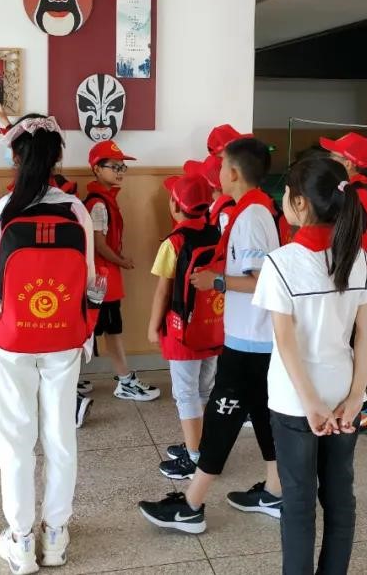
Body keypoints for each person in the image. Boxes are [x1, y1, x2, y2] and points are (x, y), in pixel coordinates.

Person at [139, 137, 282, 534]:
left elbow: (262, 281)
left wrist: (216, 281)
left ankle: (190, 506)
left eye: (220, 166)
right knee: (262, 416)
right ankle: (275, 492)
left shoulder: (251, 217)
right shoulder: (252, 209)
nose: (217, 172)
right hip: (251, 337)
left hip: (250, 341)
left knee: (220, 420)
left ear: (233, 172)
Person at [0, 114, 96, 574]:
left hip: (11, 341)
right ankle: (56, 535)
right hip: (64, 338)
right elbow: (88, 279)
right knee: (61, 436)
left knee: (15, 439)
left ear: (14, 156)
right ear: (58, 156)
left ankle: (21, 540)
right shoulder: (76, 211)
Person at [255, 154, 367, 574]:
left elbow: (285, 340)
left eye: (286, 195)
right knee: (340, 497)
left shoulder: (281, 262)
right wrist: (356, 396)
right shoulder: (355, 257)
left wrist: (309, 402)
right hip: (343, 393)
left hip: (295, 401)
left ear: (300, 203)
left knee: (298, 500)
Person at [148, 173, 221, 480]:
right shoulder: (217, 233)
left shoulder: (174, 243)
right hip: (213, 326)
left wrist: (153, 327)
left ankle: (194, 458)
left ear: (175, 206)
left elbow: (163, 292)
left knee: (186, 394)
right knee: (204, 389)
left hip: (183, 333)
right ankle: (201, 445)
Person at [85, 140, 160, 402]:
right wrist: (121, 261)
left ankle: (74, 380)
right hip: (101, 278)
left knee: (97, 328)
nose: (119, 172)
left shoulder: (105, 200)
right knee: (109, 329)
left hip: (104, 275)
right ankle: (125, 381)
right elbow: (98, 244)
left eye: (122, 167)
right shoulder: (98, 204)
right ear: (97, 168)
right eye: (114, 166)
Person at [320, 132, 367, 432]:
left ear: (348, 163)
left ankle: (363, 409)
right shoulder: (354, 193)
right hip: (350, 278)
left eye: (334, 156)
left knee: (346, 343)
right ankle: (365, 376)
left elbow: (347, 242)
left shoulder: (356, 198)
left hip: (348, 280)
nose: (329, 160)